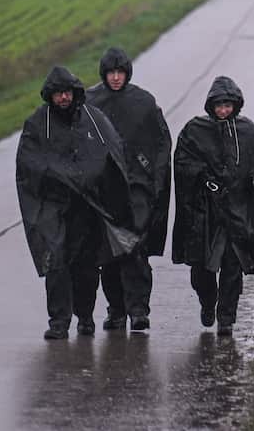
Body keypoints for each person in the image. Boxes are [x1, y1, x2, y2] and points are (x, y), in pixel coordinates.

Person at [16, 65, 138, 340]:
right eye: (57, 94)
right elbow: (29, 164)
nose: (63, 98)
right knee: (56, 263)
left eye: (67, 93)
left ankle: (85, 316)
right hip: (53, 208)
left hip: (88, 207)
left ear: (74, 92)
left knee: (86, 266)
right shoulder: (38, 124)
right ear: (50, 96)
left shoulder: (93, 118)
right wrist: (59, 177)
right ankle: (59, 321)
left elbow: (112, 153)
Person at [171, 76, 254, 336]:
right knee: (201, 271)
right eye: (219, 105)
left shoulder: (248, 132)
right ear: (211, 105)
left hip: (237, 212)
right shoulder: (195, 130)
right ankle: (208, 302)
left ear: (236, 105)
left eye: (228, 105)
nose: (224, 110)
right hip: (205, 214)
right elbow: (183, 163)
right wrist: (204, 179)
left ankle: (226, 317)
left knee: (232, 266)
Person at [85, 47, 172, 332]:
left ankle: (138, 310)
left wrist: (154, 180)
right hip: (104, 190)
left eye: (120, 72)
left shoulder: (144, 103)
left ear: (128, 73)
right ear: (104, 73)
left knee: (135, 248)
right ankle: (117, 310)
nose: (116, 78)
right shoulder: (90, 102)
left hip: (137, 189)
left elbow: (161, 143)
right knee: (108, 253)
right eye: (111, 73)